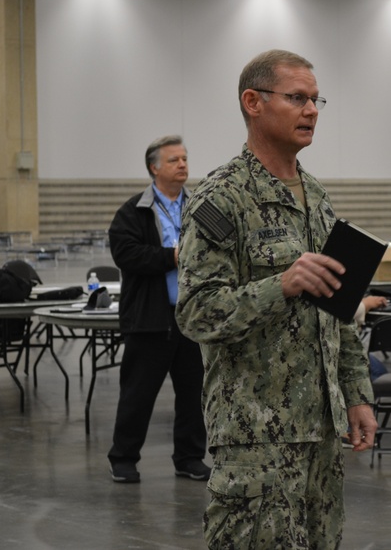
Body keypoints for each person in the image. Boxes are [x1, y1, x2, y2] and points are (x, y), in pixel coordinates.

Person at [176, 49, 376, 549]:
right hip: (256, 436)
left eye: (315, 100)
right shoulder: (221, 198)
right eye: (297, 98)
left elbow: (338, 307)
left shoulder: (316, 196)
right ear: (254, 102)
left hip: (320, 432)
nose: (311, 110)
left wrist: (356, 394)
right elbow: (196, 312)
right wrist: (280, 285)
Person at [106, 135, 209, 483]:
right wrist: (173, 257)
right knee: (138, 394)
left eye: (184, 158)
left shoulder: (200, 206)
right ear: (154, 168)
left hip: (191, 317)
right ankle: (123, 458)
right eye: (173, 160)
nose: (182, 165)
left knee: (193, 394)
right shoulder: (133, 211)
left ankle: (190, 457)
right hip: (150, 319)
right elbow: (126, 254)